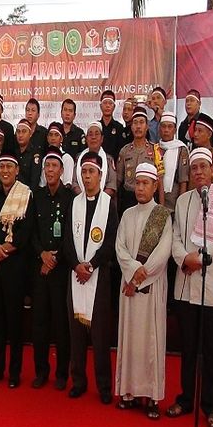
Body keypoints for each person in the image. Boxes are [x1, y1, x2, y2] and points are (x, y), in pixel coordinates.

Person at [167, 147, 213, 427]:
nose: (198, 172)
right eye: (194, 168)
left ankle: (211, 406)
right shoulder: (182, 201)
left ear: (211, 171)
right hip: (185, 286)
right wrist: (185, 258)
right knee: (188, 348)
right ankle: (185, 399)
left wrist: (201, 257)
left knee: (211, 351)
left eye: (202, 168)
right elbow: (175, 238)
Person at [115, 163, 172, 416]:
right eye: (137, 183)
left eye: (145, 183)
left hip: (149, 287)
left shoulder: (163, 215)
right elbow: (120, 249)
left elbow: (163, 253)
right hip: (129, 286)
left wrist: (138, 277)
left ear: (155, 186)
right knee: (129, 340)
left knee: (151, 340)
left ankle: (151, 396)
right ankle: (128, 392)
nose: (140, 188)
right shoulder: (126, 214)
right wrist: (133, 273)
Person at [64, 151, 119, 404]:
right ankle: (78, 380)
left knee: (99, 335)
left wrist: (92, 265)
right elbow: (66, 240)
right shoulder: (73, 203)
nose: (87, 177)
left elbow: (110, 242)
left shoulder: (109, 204)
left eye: (92, 172)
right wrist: (76, 265)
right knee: (76, 334)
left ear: (100, 175)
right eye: (84, 172)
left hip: (100, 276)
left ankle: (104, 386)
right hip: (76, 275)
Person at [0, 153, 34, 388]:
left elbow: (24, 234)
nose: (5, 170)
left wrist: (1, 252)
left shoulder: (25, 195)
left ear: (17, 170)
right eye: (1, 166)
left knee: (14, 322)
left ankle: (14, 373)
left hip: (14, 267)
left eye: (9, 167)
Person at [30, 147, 73, 390]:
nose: (50, 171)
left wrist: (54, 259)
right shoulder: (37, 196)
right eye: (47, 166)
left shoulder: (69, 198)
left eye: (54, 166)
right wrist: (42, 255)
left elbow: (69, 233)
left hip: (60, 270)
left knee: (60, 323)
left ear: (62, 170)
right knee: (39, 322)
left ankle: (61, 373)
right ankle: (41, 370)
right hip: (40, 268)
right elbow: (33, 232)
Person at [116, 106, 163, 213]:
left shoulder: (156, 149)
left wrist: (161, 207)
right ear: (131, 127)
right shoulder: (124, 151)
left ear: (147, 127)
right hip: (129, 199)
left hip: (149, 198)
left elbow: (160, 180)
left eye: (141, 122)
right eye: (135, 123)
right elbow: (118, 181)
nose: (138, 126)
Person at [72, 122, 117, 196]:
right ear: (86, 139)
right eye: (90, 134)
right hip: (81, 200)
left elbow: (112, 185)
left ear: (102, 138)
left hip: (103, 201)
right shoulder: (78, 157)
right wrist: (84, 197)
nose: (93, 137)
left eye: (97, 134)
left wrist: (99, 199)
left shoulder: (108, 159)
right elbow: (74, 183)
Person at [157, 112, 190, 213]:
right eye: (163, 126)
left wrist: (181, 205)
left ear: (175, 130)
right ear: (159, 129)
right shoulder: (155, 148)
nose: (166, 130)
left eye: (170, 127)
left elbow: (183, 180)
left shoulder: (181, 149)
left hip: (174, 202)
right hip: (157, 199)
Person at [191, 113, 213, 186]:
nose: (195, 134)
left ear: (209, 134)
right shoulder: (193, 153)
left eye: (200, 131)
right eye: (195, 130)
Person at [39, 123, 74, 188]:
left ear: (61, 139)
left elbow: (67, 183)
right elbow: (42, 183)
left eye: (56, 135)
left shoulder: (67, 158)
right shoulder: (45, 159)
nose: (53, 138)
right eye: (51, 135)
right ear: (47, 138)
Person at [14, 118, 41, 191]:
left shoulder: (35, 154)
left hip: (28, 194)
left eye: (24, 131)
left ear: (30, 134)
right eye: (18, 132)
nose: (20, 135)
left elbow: (34, 180)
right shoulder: (13, 152)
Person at [99, 90, 125, 160]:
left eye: (110, 103)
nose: (107, 106)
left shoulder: (119, 127)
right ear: (100, 106)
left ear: (114, 106)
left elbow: (122, 151)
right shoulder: (96, 127)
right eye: (105, 103)